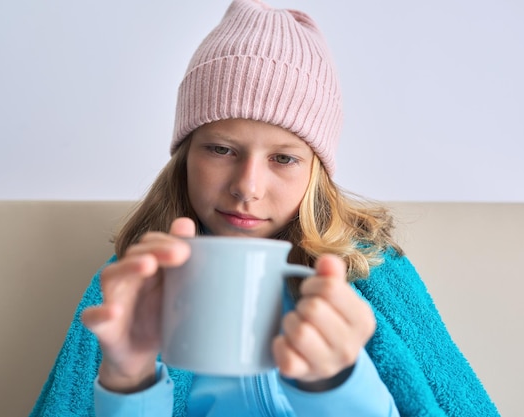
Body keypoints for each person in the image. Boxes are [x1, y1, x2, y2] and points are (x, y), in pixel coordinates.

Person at [30, 0, 500, 416]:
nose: (247, 188)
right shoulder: (134, 289)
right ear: (185, 157)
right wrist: (130, 382)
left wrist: (337, 383)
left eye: (283, 158)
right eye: (221, 149)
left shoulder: (373, 275)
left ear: (316, 172)